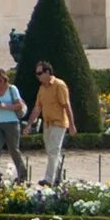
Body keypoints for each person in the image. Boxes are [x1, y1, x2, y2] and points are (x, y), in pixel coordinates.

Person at [0, 68, 30, 185]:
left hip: (12, 123)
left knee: (14, 150)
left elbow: (19, 105)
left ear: (4, 80)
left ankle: (22, 175)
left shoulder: (12, 89)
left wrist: (5, 106)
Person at [32, 60, 74, 188]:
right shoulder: (42, 88)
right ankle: (58, 177)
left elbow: (66, 105)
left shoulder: (59, 85)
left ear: (48, 72)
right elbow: (37, 107)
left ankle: (49, 179)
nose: (38, 76)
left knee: (53, 151)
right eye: (37, 74)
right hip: (47, 124)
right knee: (53, 151)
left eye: (40, 73)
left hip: (59, 123)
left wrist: (72, 124)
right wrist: (29, 124)